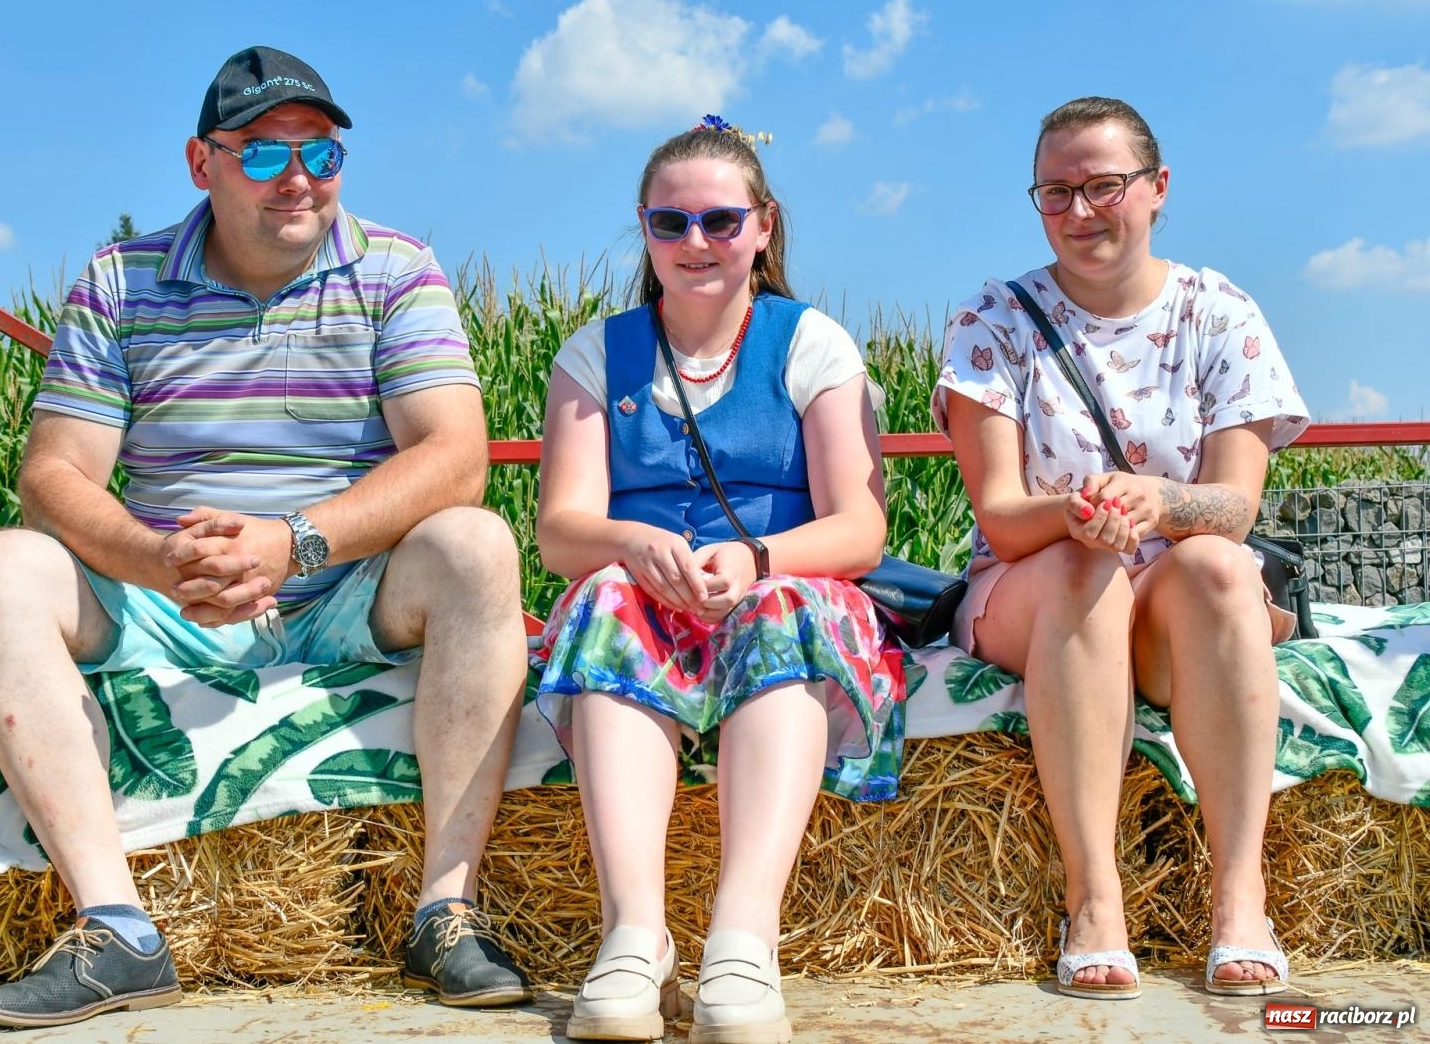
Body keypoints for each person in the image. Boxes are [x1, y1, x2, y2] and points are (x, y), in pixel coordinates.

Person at [0, 45, 531, 1028]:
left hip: (346, 582)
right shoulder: (122, 282)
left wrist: (292, 542)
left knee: (476, 543)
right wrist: (160, 561)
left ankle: (446, 905)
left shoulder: (396, 268)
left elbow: (454, 456)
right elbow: (53, 474)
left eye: (322, 152)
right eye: (263, 154)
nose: (299, 177)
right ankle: (118, 929)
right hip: (164, 593)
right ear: (201, 163)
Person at [533, 117, 903, 1044]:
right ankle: (635, 932)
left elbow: (859, 528)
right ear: (644, 229)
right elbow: (560, 532)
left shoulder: (811, 344)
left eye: (720, 222)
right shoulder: (595, 352)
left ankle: (744, 937)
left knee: (780, 610)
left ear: (764, 226)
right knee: (608, 599)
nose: (695, 243)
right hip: (651, 600)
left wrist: (761, 558)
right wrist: (630, 542)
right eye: (670, 224)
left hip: (782, 582)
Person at [932, 96, 1309, 1000]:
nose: (1080, 211)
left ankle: (1239, 896)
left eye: (1103, 185)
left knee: (1220, 562)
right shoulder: (994, 322)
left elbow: (1235, 505)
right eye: (1055, 193)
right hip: (1044, 587)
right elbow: (1002, 516)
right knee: (1081, 565)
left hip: (1172, 598)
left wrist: (1160, 501)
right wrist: (1078, 515)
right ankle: (1094, 898)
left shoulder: (1221, 314)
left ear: (1157, 189)